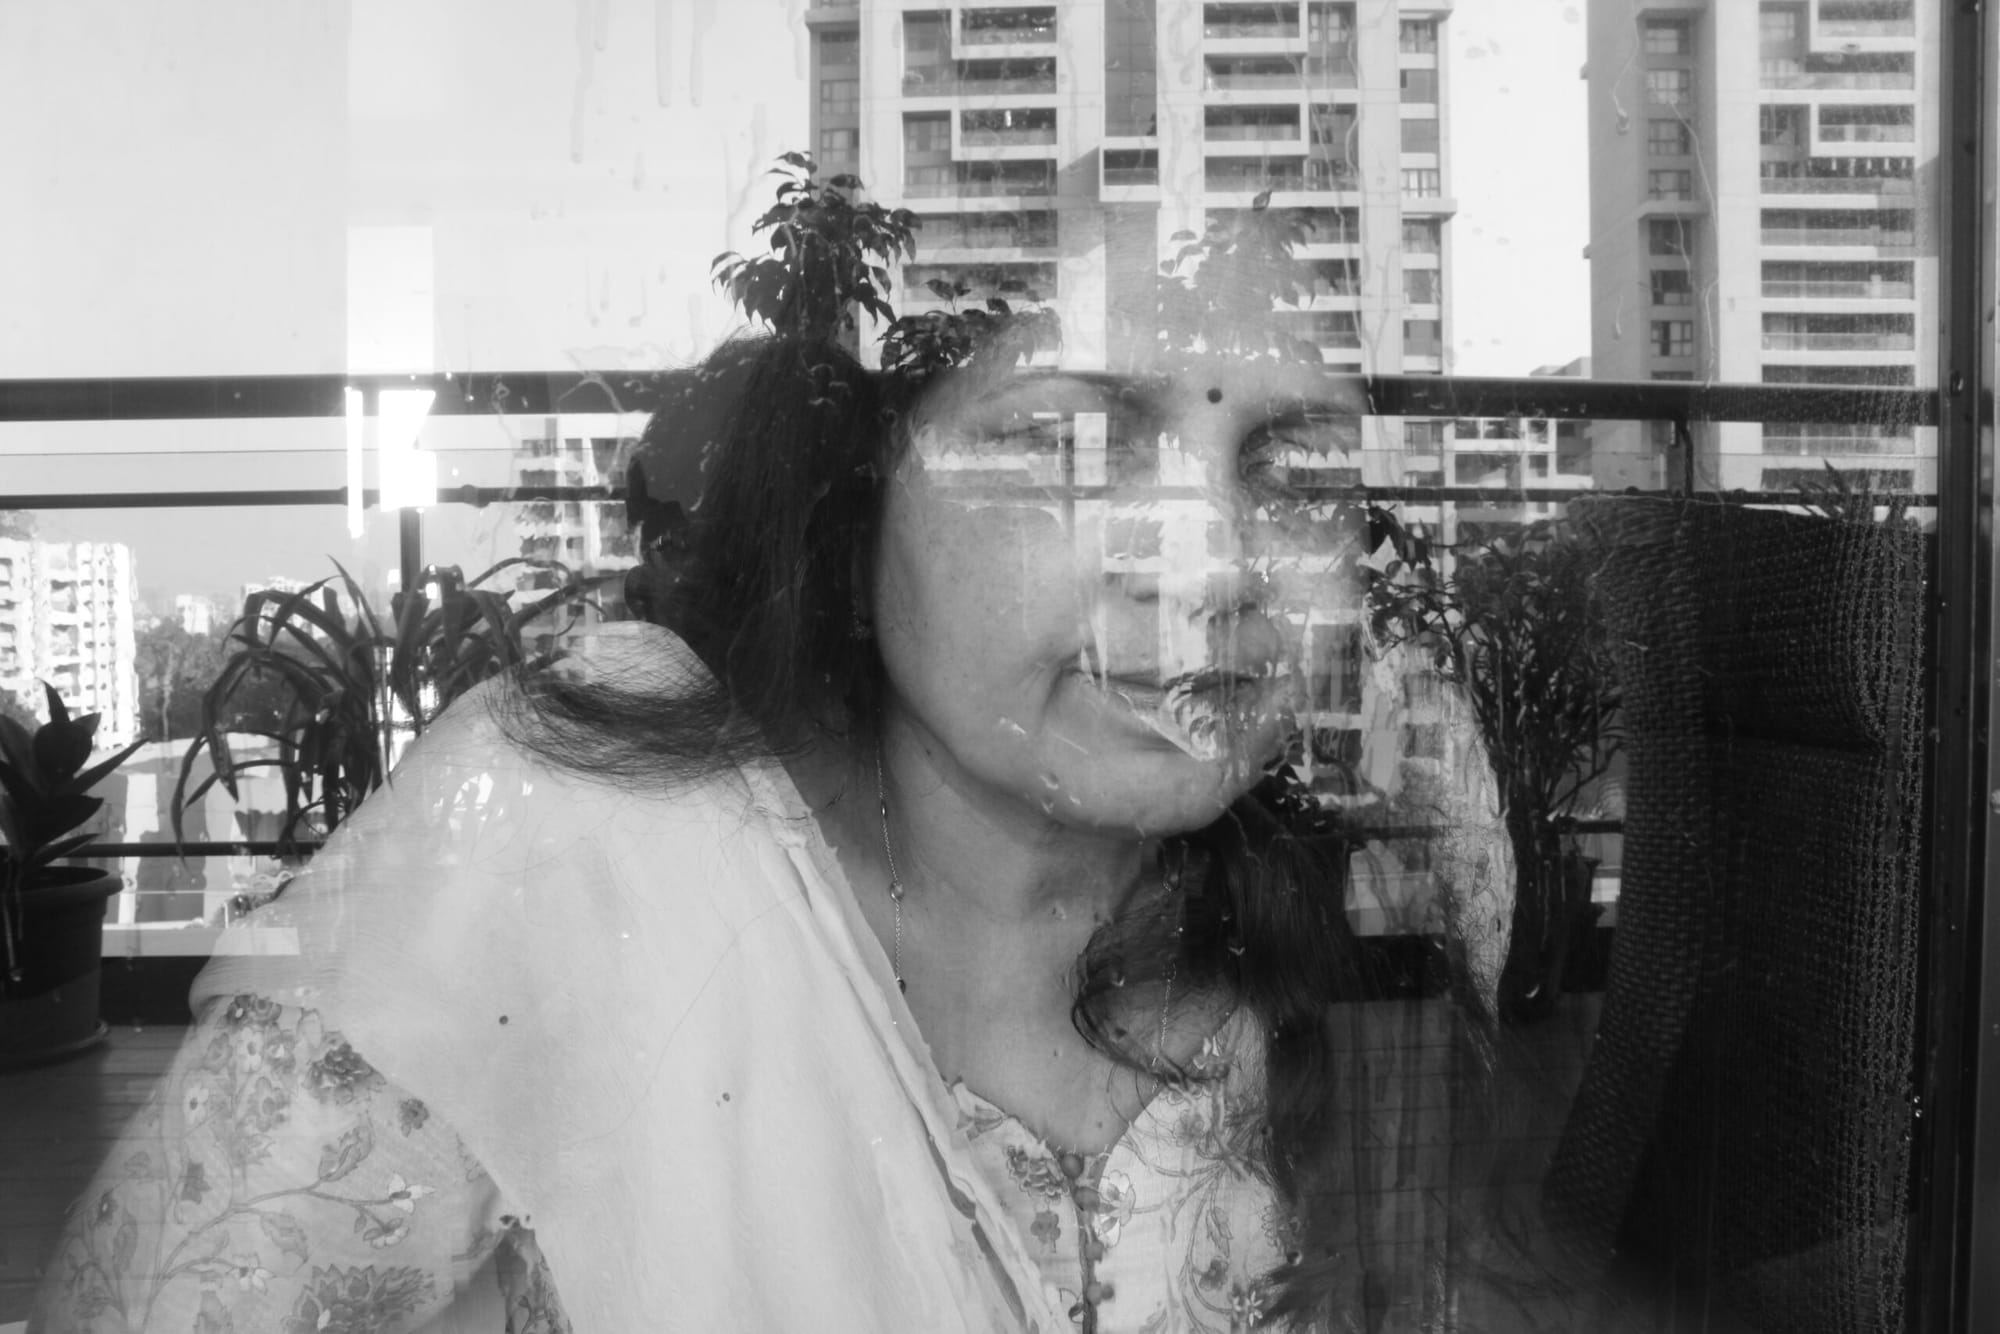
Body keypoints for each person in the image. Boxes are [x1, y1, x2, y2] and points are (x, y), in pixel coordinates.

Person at [30, 328, 1514, 1334]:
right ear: (869, 519)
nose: (1209, 568)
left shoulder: (1314, 934)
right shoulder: (576, 848)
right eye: (1064, 446)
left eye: (1292, 473)